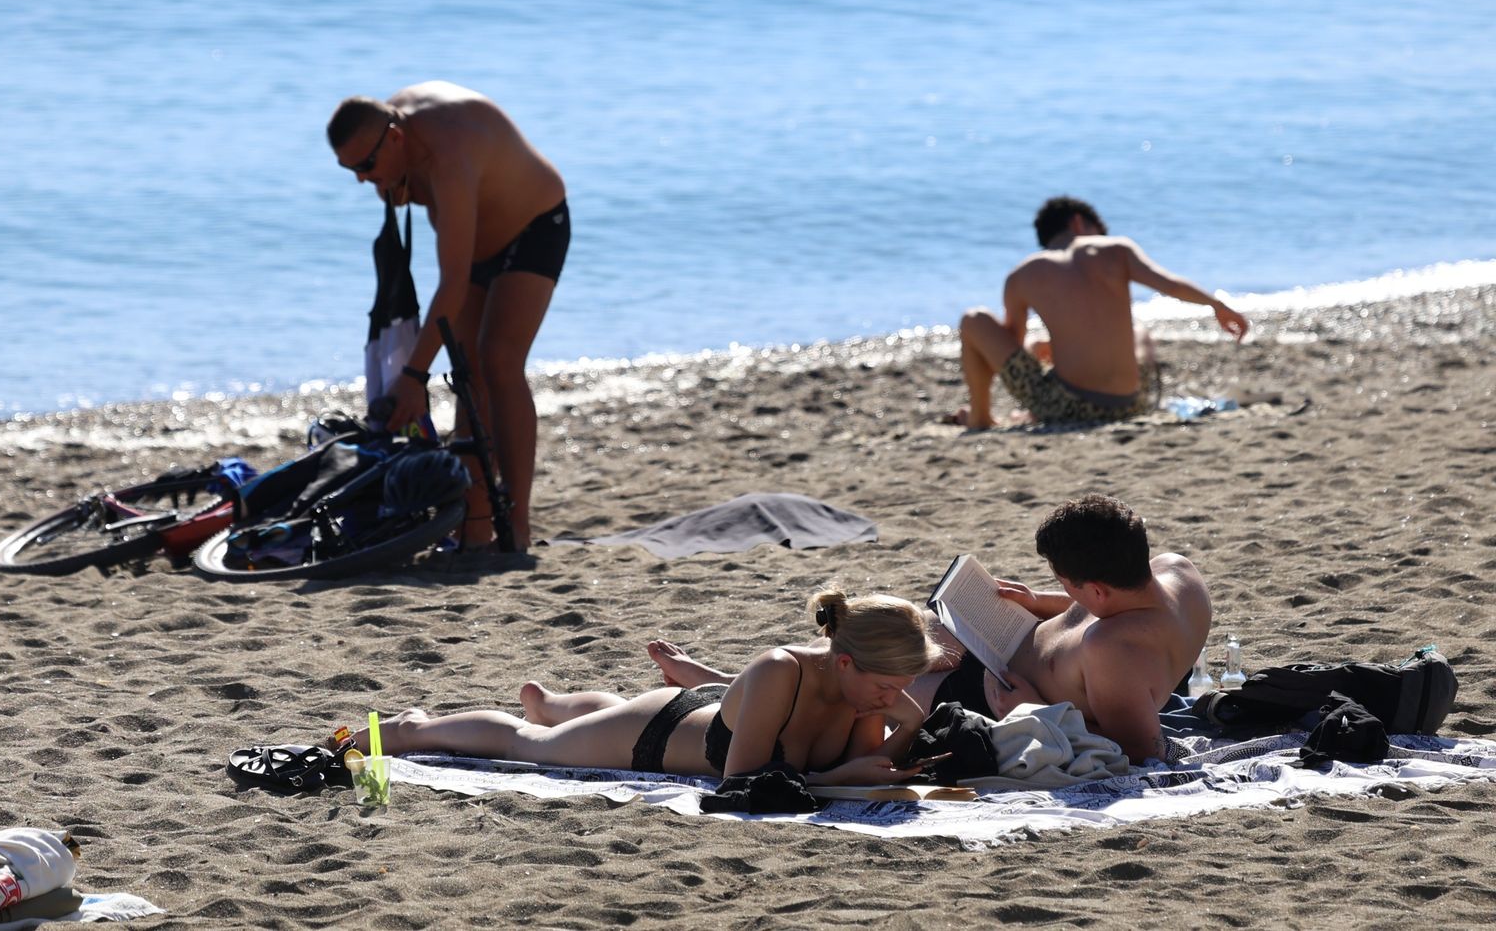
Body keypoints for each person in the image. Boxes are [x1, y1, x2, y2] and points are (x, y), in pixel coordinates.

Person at [650, 495, 1212, 763]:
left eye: (1063, 583)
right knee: (889, 635)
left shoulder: (1117, 652)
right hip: (1006, 641)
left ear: (1095, 591)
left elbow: (1137, 751)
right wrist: (1035, 600)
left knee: (866, 689)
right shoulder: (1173, 571)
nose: (1061, 590)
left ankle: (728, 684)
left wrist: (1028, 706)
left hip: (997, 690)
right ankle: (739, 678)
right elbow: (1097, 608)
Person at [335, 587, 946, 785]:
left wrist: (907, 733)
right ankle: (410, 728)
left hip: (712, 715)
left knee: (582, 723)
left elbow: (869, 765)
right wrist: (841, 778)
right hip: (660, 733)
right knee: (532, 748)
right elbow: (742, 784)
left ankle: (553, 704)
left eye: (902, 686)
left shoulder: (864, 692)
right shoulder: (780, 670)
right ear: (844, 661)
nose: (893, 698)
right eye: (888, 685)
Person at [328, 82, 569, 549]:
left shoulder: (449, 153)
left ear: (394, 138)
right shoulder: (393, 133)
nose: (361, 179)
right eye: (350, 170)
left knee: (499, 359)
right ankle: (475, 522)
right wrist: (390, 183)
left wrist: (414, 376)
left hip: (534, 226)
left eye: (366, 166)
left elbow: (452, 284)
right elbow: (419, 211)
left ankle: (517, 526)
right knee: (469, 372)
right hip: (474, 241)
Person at [950, 196, 1250, 430]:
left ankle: (980, 417)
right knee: (1138, 331)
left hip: (1063, 406)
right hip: (1129, 404)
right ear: (1080, 223)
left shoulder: (1023, 275)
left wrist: (1034, 347)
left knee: (974, 318)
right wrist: (1216, 305)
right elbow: (1169, 284)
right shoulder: (1116, 249)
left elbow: (1011, 352)